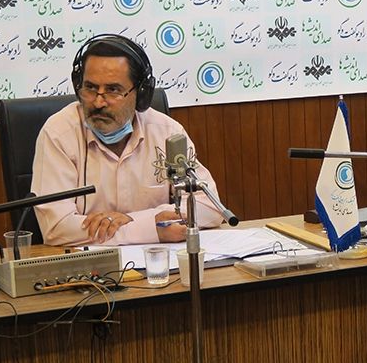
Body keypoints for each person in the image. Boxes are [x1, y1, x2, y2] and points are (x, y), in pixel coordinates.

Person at [32, 34, 224, 246]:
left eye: (113, 90)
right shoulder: (58, 134)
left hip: (156, 262)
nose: (98, 102)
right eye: (90, 88)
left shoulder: (167, 132)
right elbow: (57, 228)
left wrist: (134, 220)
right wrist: (151, 228)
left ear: (141, 94)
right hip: (90, 262)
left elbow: (210, 207)